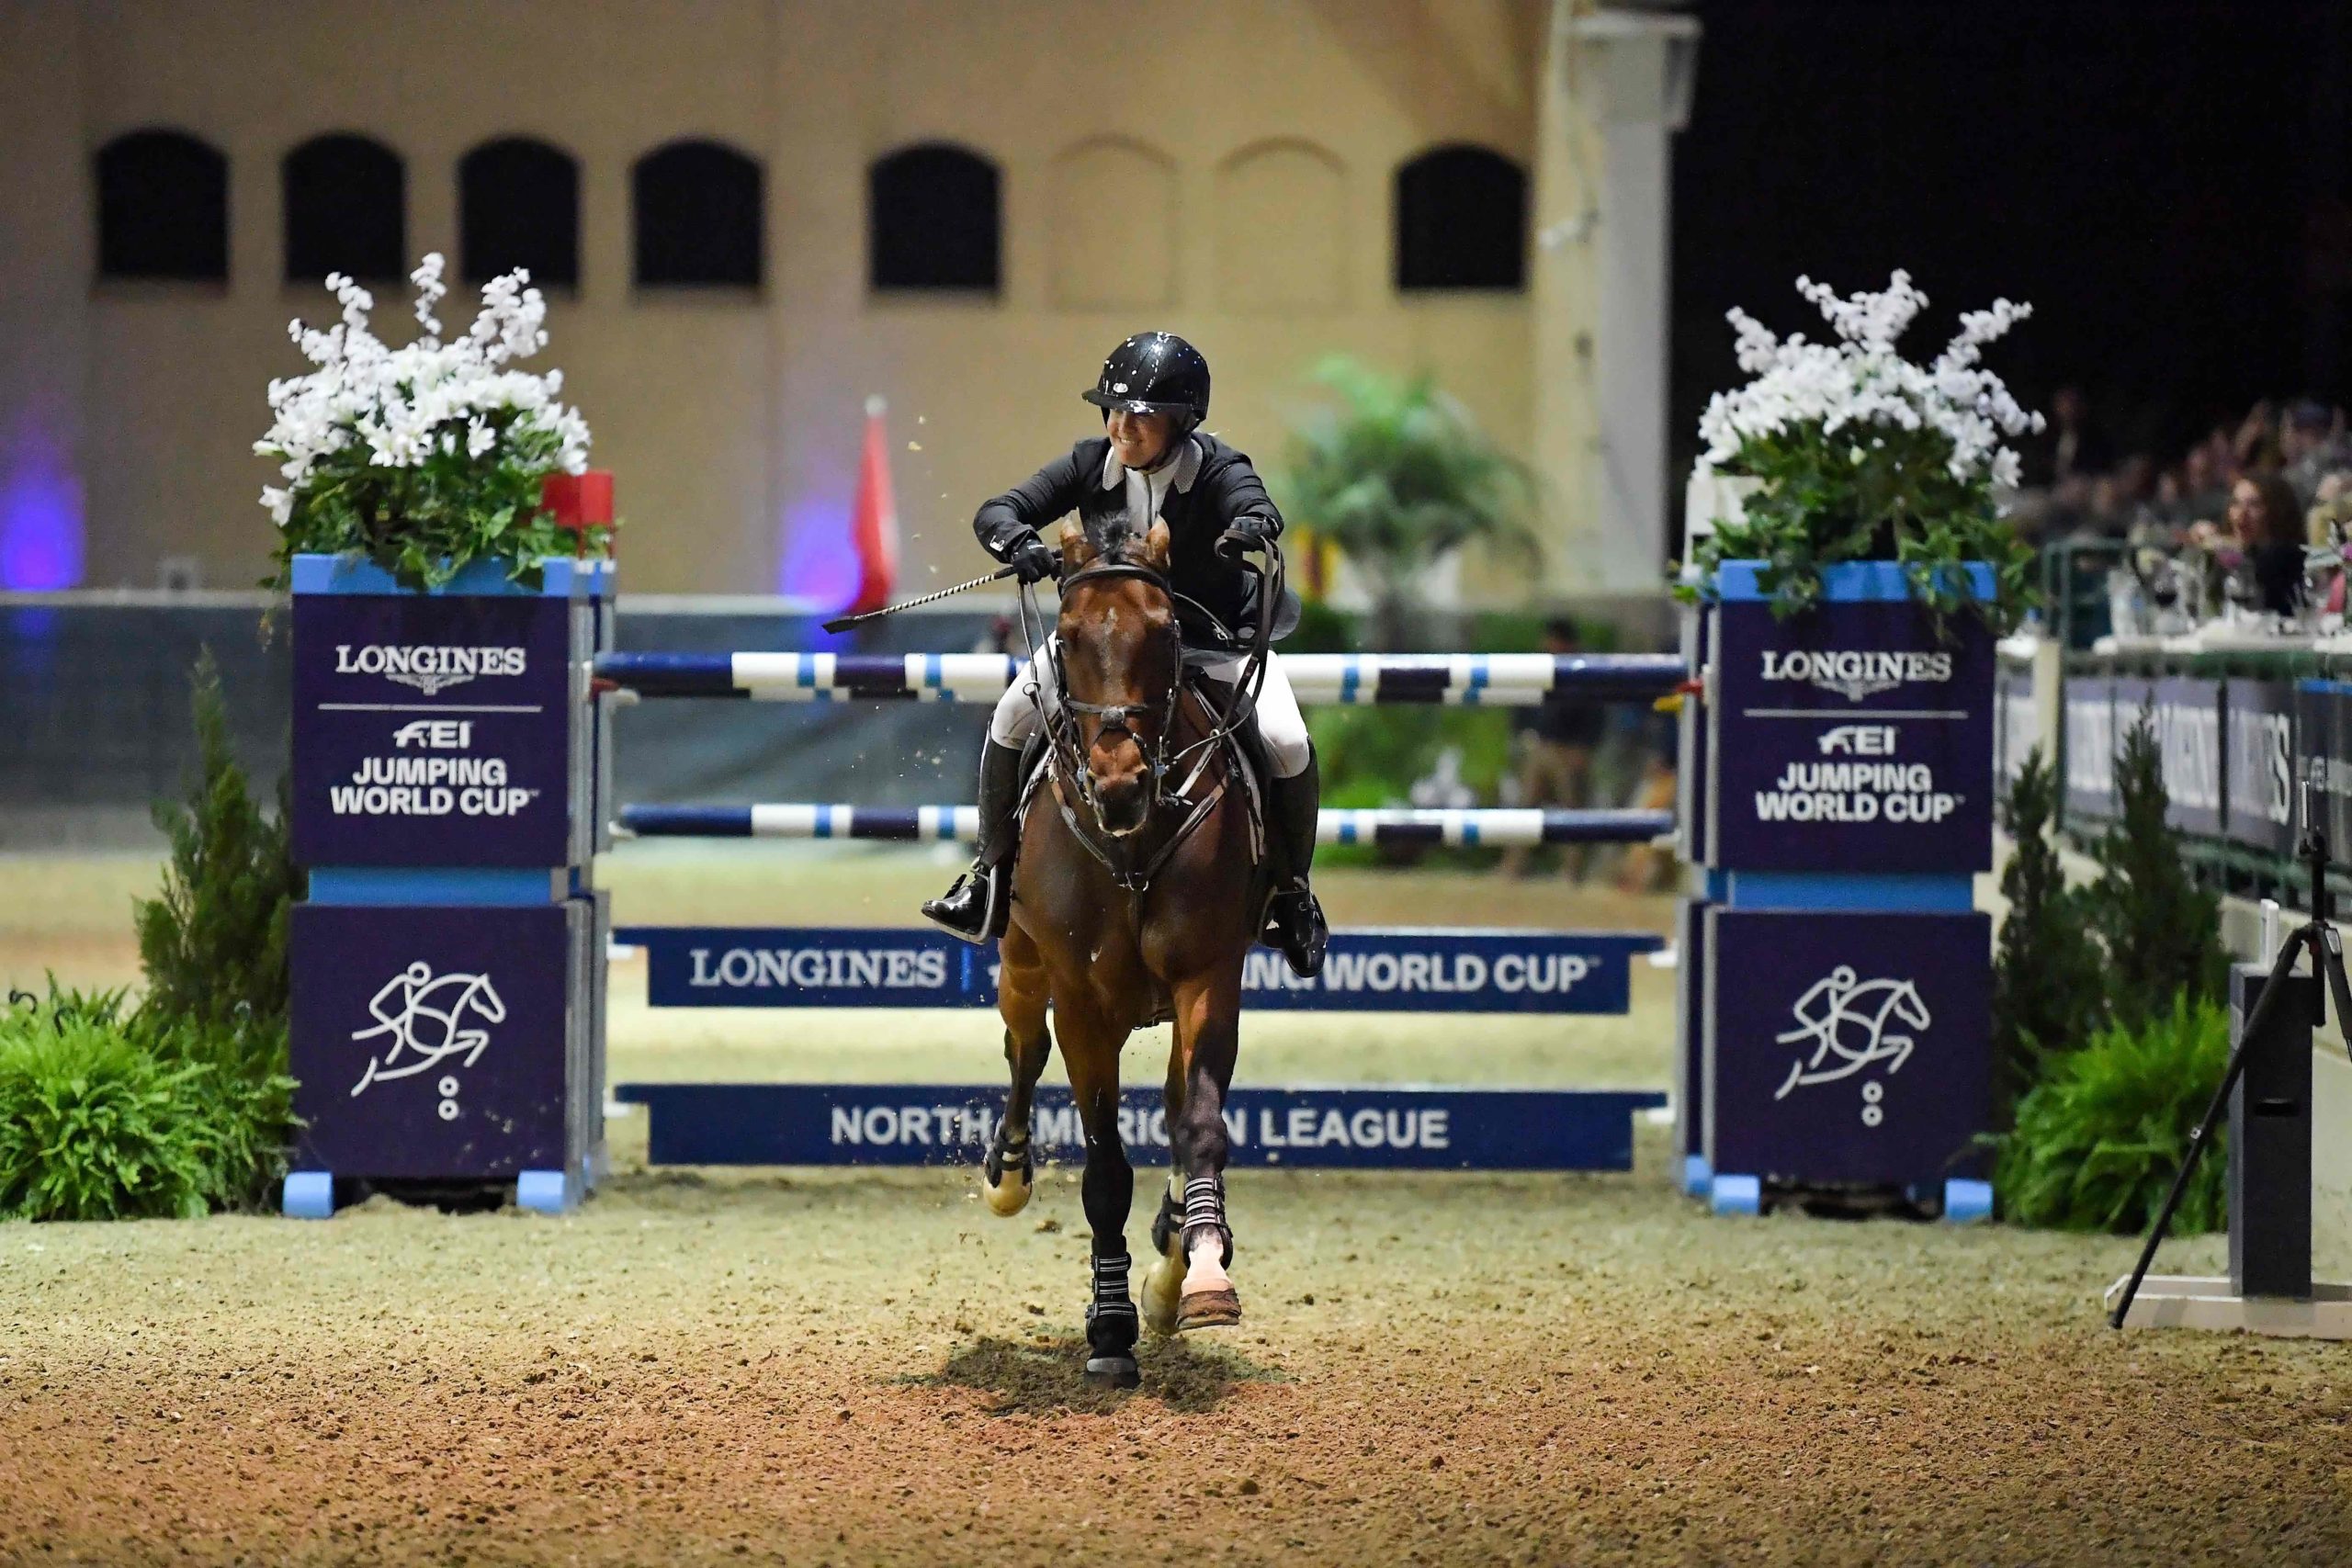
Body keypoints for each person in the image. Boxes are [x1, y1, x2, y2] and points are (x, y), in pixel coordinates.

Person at [920, 332, 1329, 977]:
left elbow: (1256, 505)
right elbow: (1001, 508)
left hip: (1207, 639)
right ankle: (989, 876)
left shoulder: (1220, 469)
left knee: (1287, 740)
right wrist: (1017, 541)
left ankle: (1292, 894)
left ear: (1180, 421)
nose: (1122, 426)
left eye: (1140, 415)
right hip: (1110, 655)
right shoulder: (1089, 462)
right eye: (1114, 411)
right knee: (1008, 719)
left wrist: (1251, 526)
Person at [1498, 618, 1603, 879]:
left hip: (1569, 748)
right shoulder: (1540, 667)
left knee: (1572, 810)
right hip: (1541, 745)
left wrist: (1585, 747)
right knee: (1526, 808)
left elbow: (1595, 713)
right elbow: (1523, 703)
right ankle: (1513, 866)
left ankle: (1572, 871)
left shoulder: (1582, 670)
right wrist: (1522, 735)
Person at [2225, 471, 2307, 618]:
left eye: (2254, 505)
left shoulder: (2284, 556)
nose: (2241, 514)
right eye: (2236, 503)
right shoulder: (2248, 552)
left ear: (2277, 511)